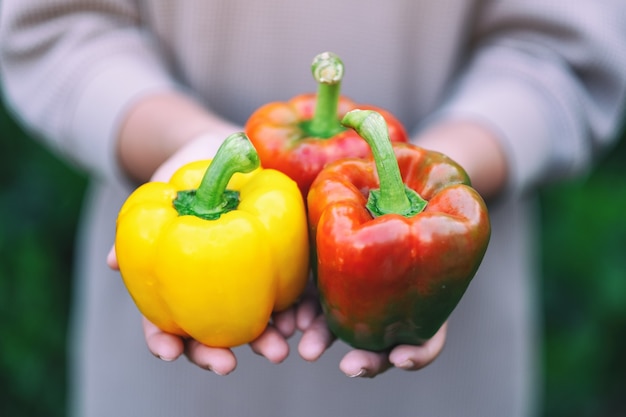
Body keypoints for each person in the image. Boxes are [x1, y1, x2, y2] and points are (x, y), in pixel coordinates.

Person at [1, 1, 625, 416]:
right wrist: (177, 141)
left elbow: (562, 43)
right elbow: (58, 22)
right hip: (169, 386)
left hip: (448, 381)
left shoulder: (439, 205)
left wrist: (442, 168)